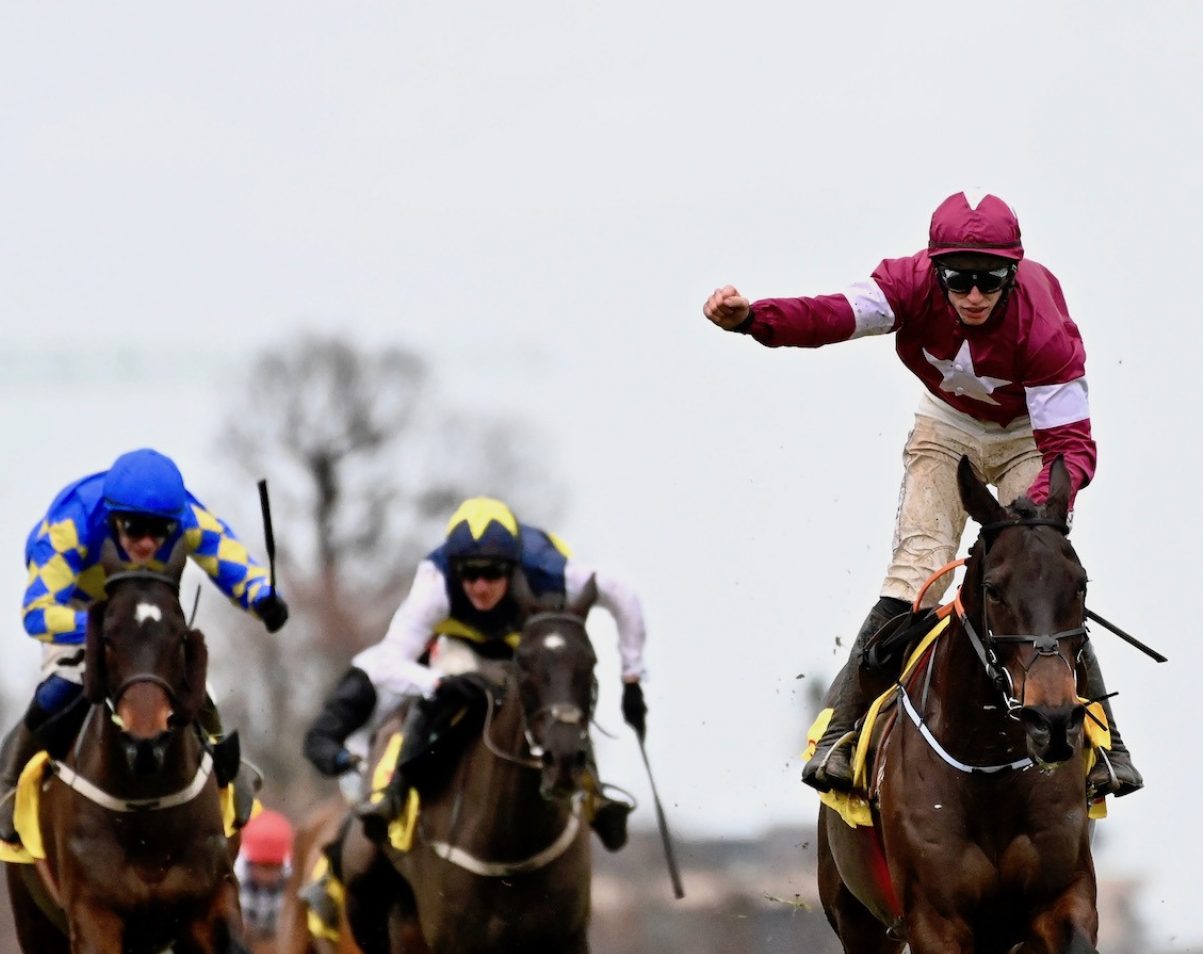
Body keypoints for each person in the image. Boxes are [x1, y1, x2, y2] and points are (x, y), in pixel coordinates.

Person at [702, 191, 1141, 800]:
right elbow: (832, 315)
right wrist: (756, 320)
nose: (974, 297)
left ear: (1014, 273)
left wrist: (1036, 511)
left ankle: (1108, 746)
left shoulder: (1045, 329)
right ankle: (839, 729)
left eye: (990, 281)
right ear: (934, 269)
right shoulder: (905, 285)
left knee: (1037, 576)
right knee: (918, 573)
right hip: (947, 426)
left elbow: (1069, 444)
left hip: (1029, 437)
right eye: (959, 280)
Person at [303, 497, 649, 850]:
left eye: (492, 572)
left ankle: (594, 795)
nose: (480, 586)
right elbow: (390, 661)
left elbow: (622, 595)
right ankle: (394, 792)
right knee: (435, 695)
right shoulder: (435, 583)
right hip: (461, 648)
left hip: (524, 647)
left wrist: (632, 679)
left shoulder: (551, 570)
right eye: (468, 573)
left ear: (513, 568)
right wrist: (437, 683)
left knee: (557, 687)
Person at [1, 448, 287, 845]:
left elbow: (231, 560)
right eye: (135, 529)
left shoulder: (187, 516)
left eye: (160, 531)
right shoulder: (71, 523)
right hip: (82, 615)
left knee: (193, 685)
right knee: (62, 685)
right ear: (113, 517)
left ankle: (228, 770)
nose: (148, 542)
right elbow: (37, 614)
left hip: (148, 621)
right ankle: (9, 783)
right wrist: (107, 631)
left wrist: (263, 599)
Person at [236, 807, 295, 942]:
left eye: (275, 867)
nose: (270, 876)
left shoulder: (292, 878)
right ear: (250, 862)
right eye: (264, 867)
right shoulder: (236, 877)